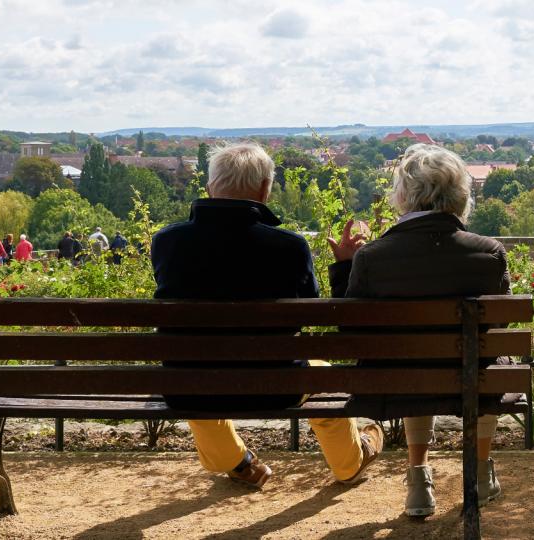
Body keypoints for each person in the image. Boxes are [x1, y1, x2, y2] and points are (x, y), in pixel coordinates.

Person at [151, 142, 383, 489]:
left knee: (192, 367)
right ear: (265, 190)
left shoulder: (167, 241)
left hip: (189, 385)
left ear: (211, 188)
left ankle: (238, 463)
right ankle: (351, 461)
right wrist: (345, 265)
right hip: (277, 387)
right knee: (325, 376)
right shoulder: (290, 246)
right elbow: (311, 311)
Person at [328, 143, 511, 517]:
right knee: (485, 360)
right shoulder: (489, 253)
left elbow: (348, 330)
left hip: (397, 382)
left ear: (404, 195)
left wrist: (344, 268)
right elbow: (499, 325)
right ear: (461, 196)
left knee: (413, 359)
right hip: (470, 378)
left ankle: (418, 482)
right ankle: (478, 474)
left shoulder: (372, 257)